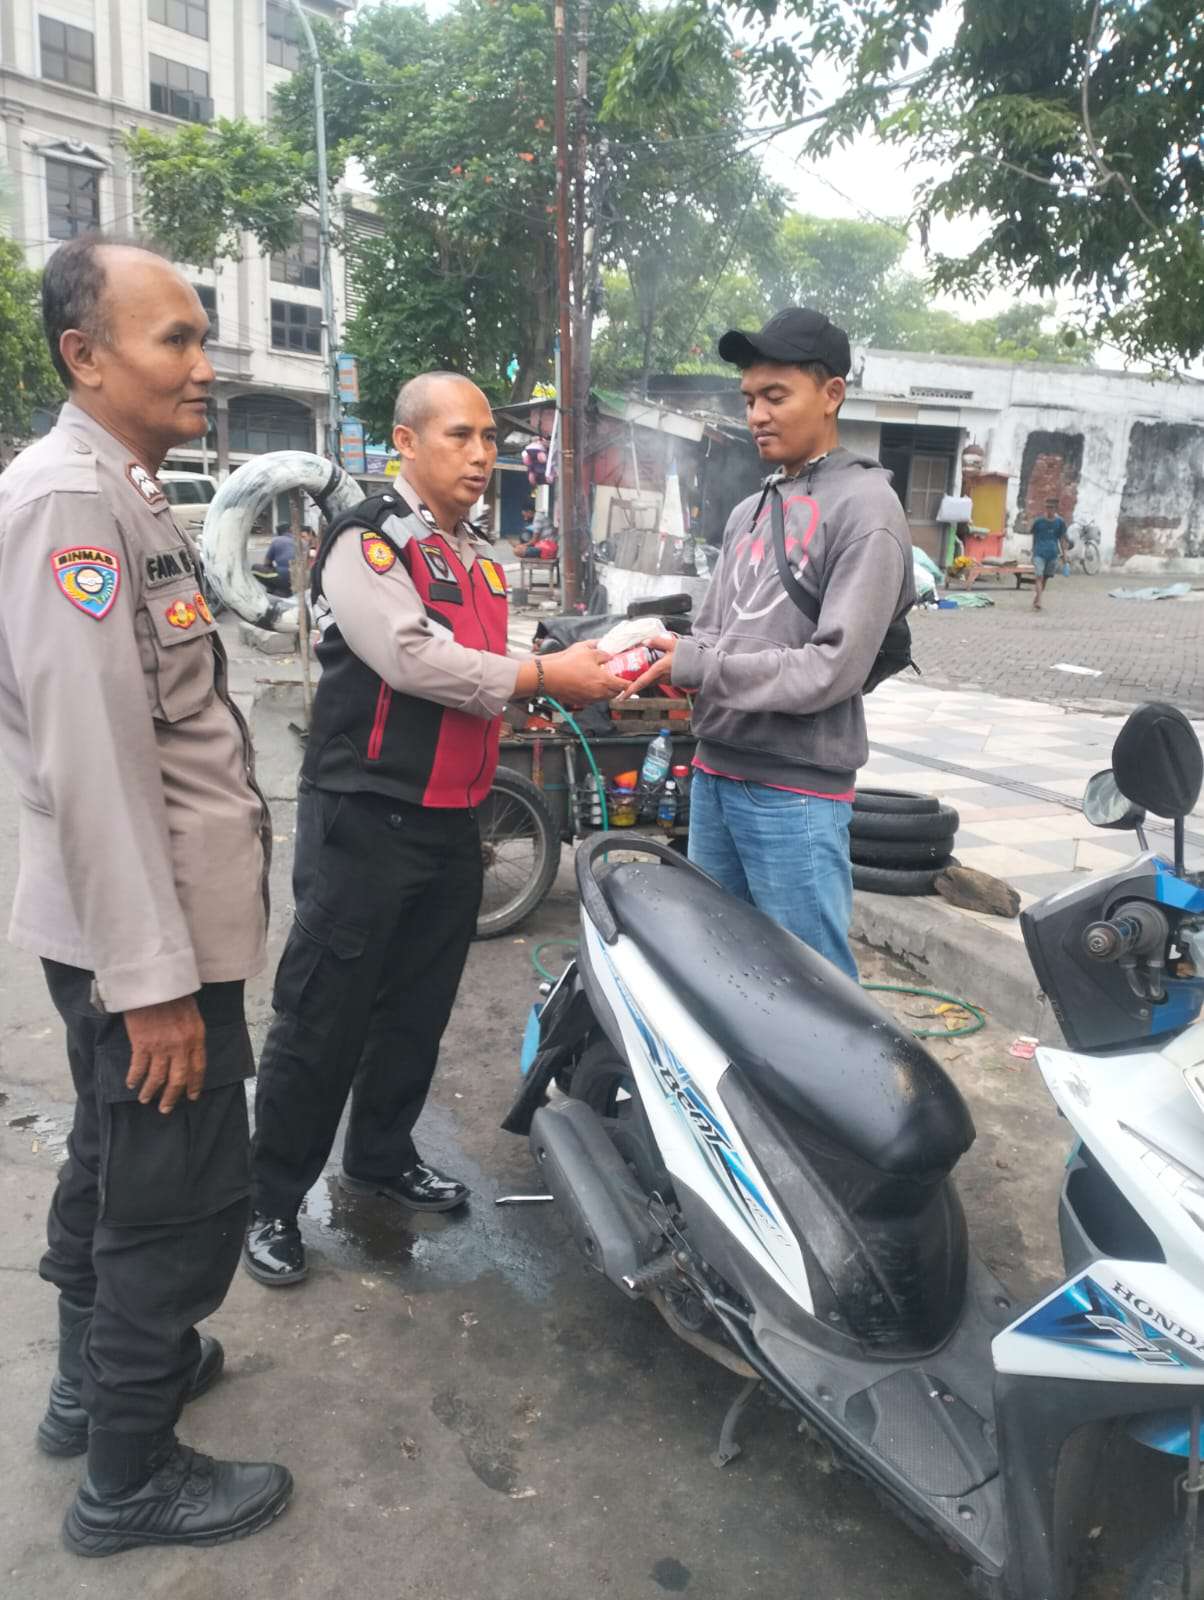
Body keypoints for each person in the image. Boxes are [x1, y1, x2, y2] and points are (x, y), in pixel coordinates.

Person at [0, 235, 291, 1554]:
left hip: (137, 937)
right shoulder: (72, 504)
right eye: (173, 337)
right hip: (145, 947)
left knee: (117, 1164)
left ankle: (89, 1390)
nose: (204, 361)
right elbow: (96, 766)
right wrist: (155, 985)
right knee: (174, 1197)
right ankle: (126, 1479)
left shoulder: (123, 488)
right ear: (85, 356)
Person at [243, 372, 623, 1286]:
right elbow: (411, 659)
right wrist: (540, 678)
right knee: (323, 1017)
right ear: (405, 445)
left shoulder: (477, 557)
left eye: (490, 437)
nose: (484, 454)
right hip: (366, 822)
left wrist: (568, 663)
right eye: (460, 435)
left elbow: (487, 662)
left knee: (415, 1014)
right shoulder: (368, 541)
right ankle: (269, 1200)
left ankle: (379, 1158)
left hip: (455, 825)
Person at [620, 307, 915, 980]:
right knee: (718, 970)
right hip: (718, 774)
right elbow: (718, 635)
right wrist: (662, 653)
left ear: (832, 394)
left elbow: (832, 669)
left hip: (794, 792)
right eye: (749, 398)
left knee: (810, 989)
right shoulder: (748, 511)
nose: (756, 413)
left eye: (776, 396)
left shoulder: (866, 509)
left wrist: (697, 663)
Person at [1029, 496, 1069, 612]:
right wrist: (1033, 551)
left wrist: (1064, 555)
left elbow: (1062, 539)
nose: (1048, 509)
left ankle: (1037, 597)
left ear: (1055, 508)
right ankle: (1040, 601)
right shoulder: (1038, 522)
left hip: (1052, 554)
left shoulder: (1060, 522)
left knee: (1045, 578)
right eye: (1047, 507)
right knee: (1039, 576)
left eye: (1051, 507)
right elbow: (1034, 536)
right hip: (1039, 553)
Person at [265, 521, 299, 594]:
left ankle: (271, 589)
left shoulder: (276, 540)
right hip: (300, 576)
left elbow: (267, 562)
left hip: (283, 575)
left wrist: (270, 567)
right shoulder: (300, 540)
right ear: (290, 530)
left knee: (255, 568)